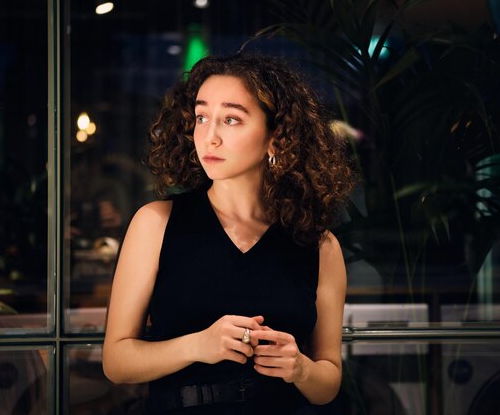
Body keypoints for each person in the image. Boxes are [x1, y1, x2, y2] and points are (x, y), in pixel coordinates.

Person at [102, 52, 354, 414]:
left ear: (276, 138)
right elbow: (116, 362)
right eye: (202, 117)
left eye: (231, 119)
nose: (210, 137)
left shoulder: (320, 245)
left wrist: (301, 368)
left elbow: (328, 383)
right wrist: (197, 346)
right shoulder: (155, 223)